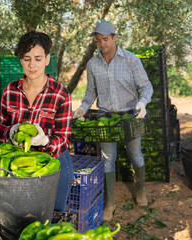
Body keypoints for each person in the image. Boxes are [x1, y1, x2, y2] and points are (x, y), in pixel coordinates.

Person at [73, 21, 154, 221]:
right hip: (106, 118)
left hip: (130, 116)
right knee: (108, 159)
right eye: (99, 41)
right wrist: (83, 107)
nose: (102, 44)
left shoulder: (131, 60)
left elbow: (146, 87)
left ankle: (141, 192)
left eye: (106, 40)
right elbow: (91, 92)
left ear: (115, 37)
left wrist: (142, 103)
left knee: (135, 153)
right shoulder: (93, 64)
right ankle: (110, 204)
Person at [0, 31, 73, 212]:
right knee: (21, 215)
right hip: (19, 165)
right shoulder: (10, 91)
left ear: (47, 59)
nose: (32, 65)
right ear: (20, 60)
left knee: (52, 214)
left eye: (38, 59)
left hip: (53, 164)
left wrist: (45, 141)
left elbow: (63, 138)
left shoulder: (60, 94)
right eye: (26, 58)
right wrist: (10, 132)